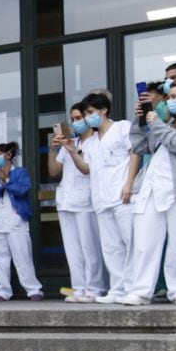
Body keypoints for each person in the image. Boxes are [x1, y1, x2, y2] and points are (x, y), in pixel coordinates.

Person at [123, 80, 176, 305]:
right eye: (169, 97)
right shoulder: (166, 122)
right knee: (145, 240)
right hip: (152, 187)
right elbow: (141, 147)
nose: (169, 101)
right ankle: (140, 290)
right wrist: (139, 122)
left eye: (175, 97)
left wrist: (156, 123)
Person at [83, 92, 140, 304]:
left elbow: (135, 152)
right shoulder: (91, 142)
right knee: (111, 247)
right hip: (101, 199)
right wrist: (71, 151)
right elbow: (87, 169)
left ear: (104, 110)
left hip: (122, 195)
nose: (88, 117)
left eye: (90, 112)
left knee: (130, 242)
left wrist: (129, 183)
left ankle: (135, 288)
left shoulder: (122, 128)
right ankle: (118, 289)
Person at [50, 103, 107, 302]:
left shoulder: (97, 142)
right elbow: (53, 171)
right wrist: (53, 149)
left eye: (79, 118)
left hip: (86, 202)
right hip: (66, 201)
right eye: (73, 119)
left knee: (89, 247)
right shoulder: (69, 143)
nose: (76, 122)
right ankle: (79, 287)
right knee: (73, 249)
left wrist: (73, 152)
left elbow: (86, 170)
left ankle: (95, 287)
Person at [0, 142, 43, 301]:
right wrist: (0, 184)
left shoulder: (20, 173)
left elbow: (23, 190)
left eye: (0, 153)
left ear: (9, 155)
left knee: (22, 256)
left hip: (16, 221)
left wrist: (7, 180)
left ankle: (33, 289)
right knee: (0, 259)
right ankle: (3, 291)